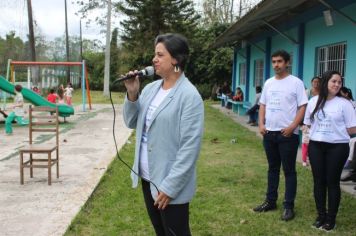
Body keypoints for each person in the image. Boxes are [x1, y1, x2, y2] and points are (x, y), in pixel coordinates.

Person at [122, 33, 204, 236]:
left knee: (176, 233)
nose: (154, 59)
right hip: (148, 178)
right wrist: (132, 94)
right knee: (160, 231)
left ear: (175, 59)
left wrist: (169, 187)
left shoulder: (189, 96)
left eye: (160, 55)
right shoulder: (150, 89)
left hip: (169, 185)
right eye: (154, 54)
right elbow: (131, 122)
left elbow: (189, 148)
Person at [253, 50, 308, 222]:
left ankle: (288, 206)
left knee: (289, 171)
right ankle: (270, 201)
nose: (276, 65)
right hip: (269, 133)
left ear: (287, 63)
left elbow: (303, 106)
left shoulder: (296, 83)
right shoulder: (269, 83)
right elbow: (263, 105)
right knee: (273, 168)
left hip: (287, 135)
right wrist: (261, 124)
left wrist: (293, 127)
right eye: (274, 61)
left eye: (279, 61)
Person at [304, 70, 356, 231]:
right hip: (316, 146)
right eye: (334, 81)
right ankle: (321, 215)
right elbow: (307, 123)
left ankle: (330, 219)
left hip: (337, 147)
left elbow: (352, 128)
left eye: (339, 82)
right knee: (319, 182)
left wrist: (336, 132)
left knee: (332, 183)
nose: (337, 84)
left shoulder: (344, 104)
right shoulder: (313, 101)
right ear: (326, 82)